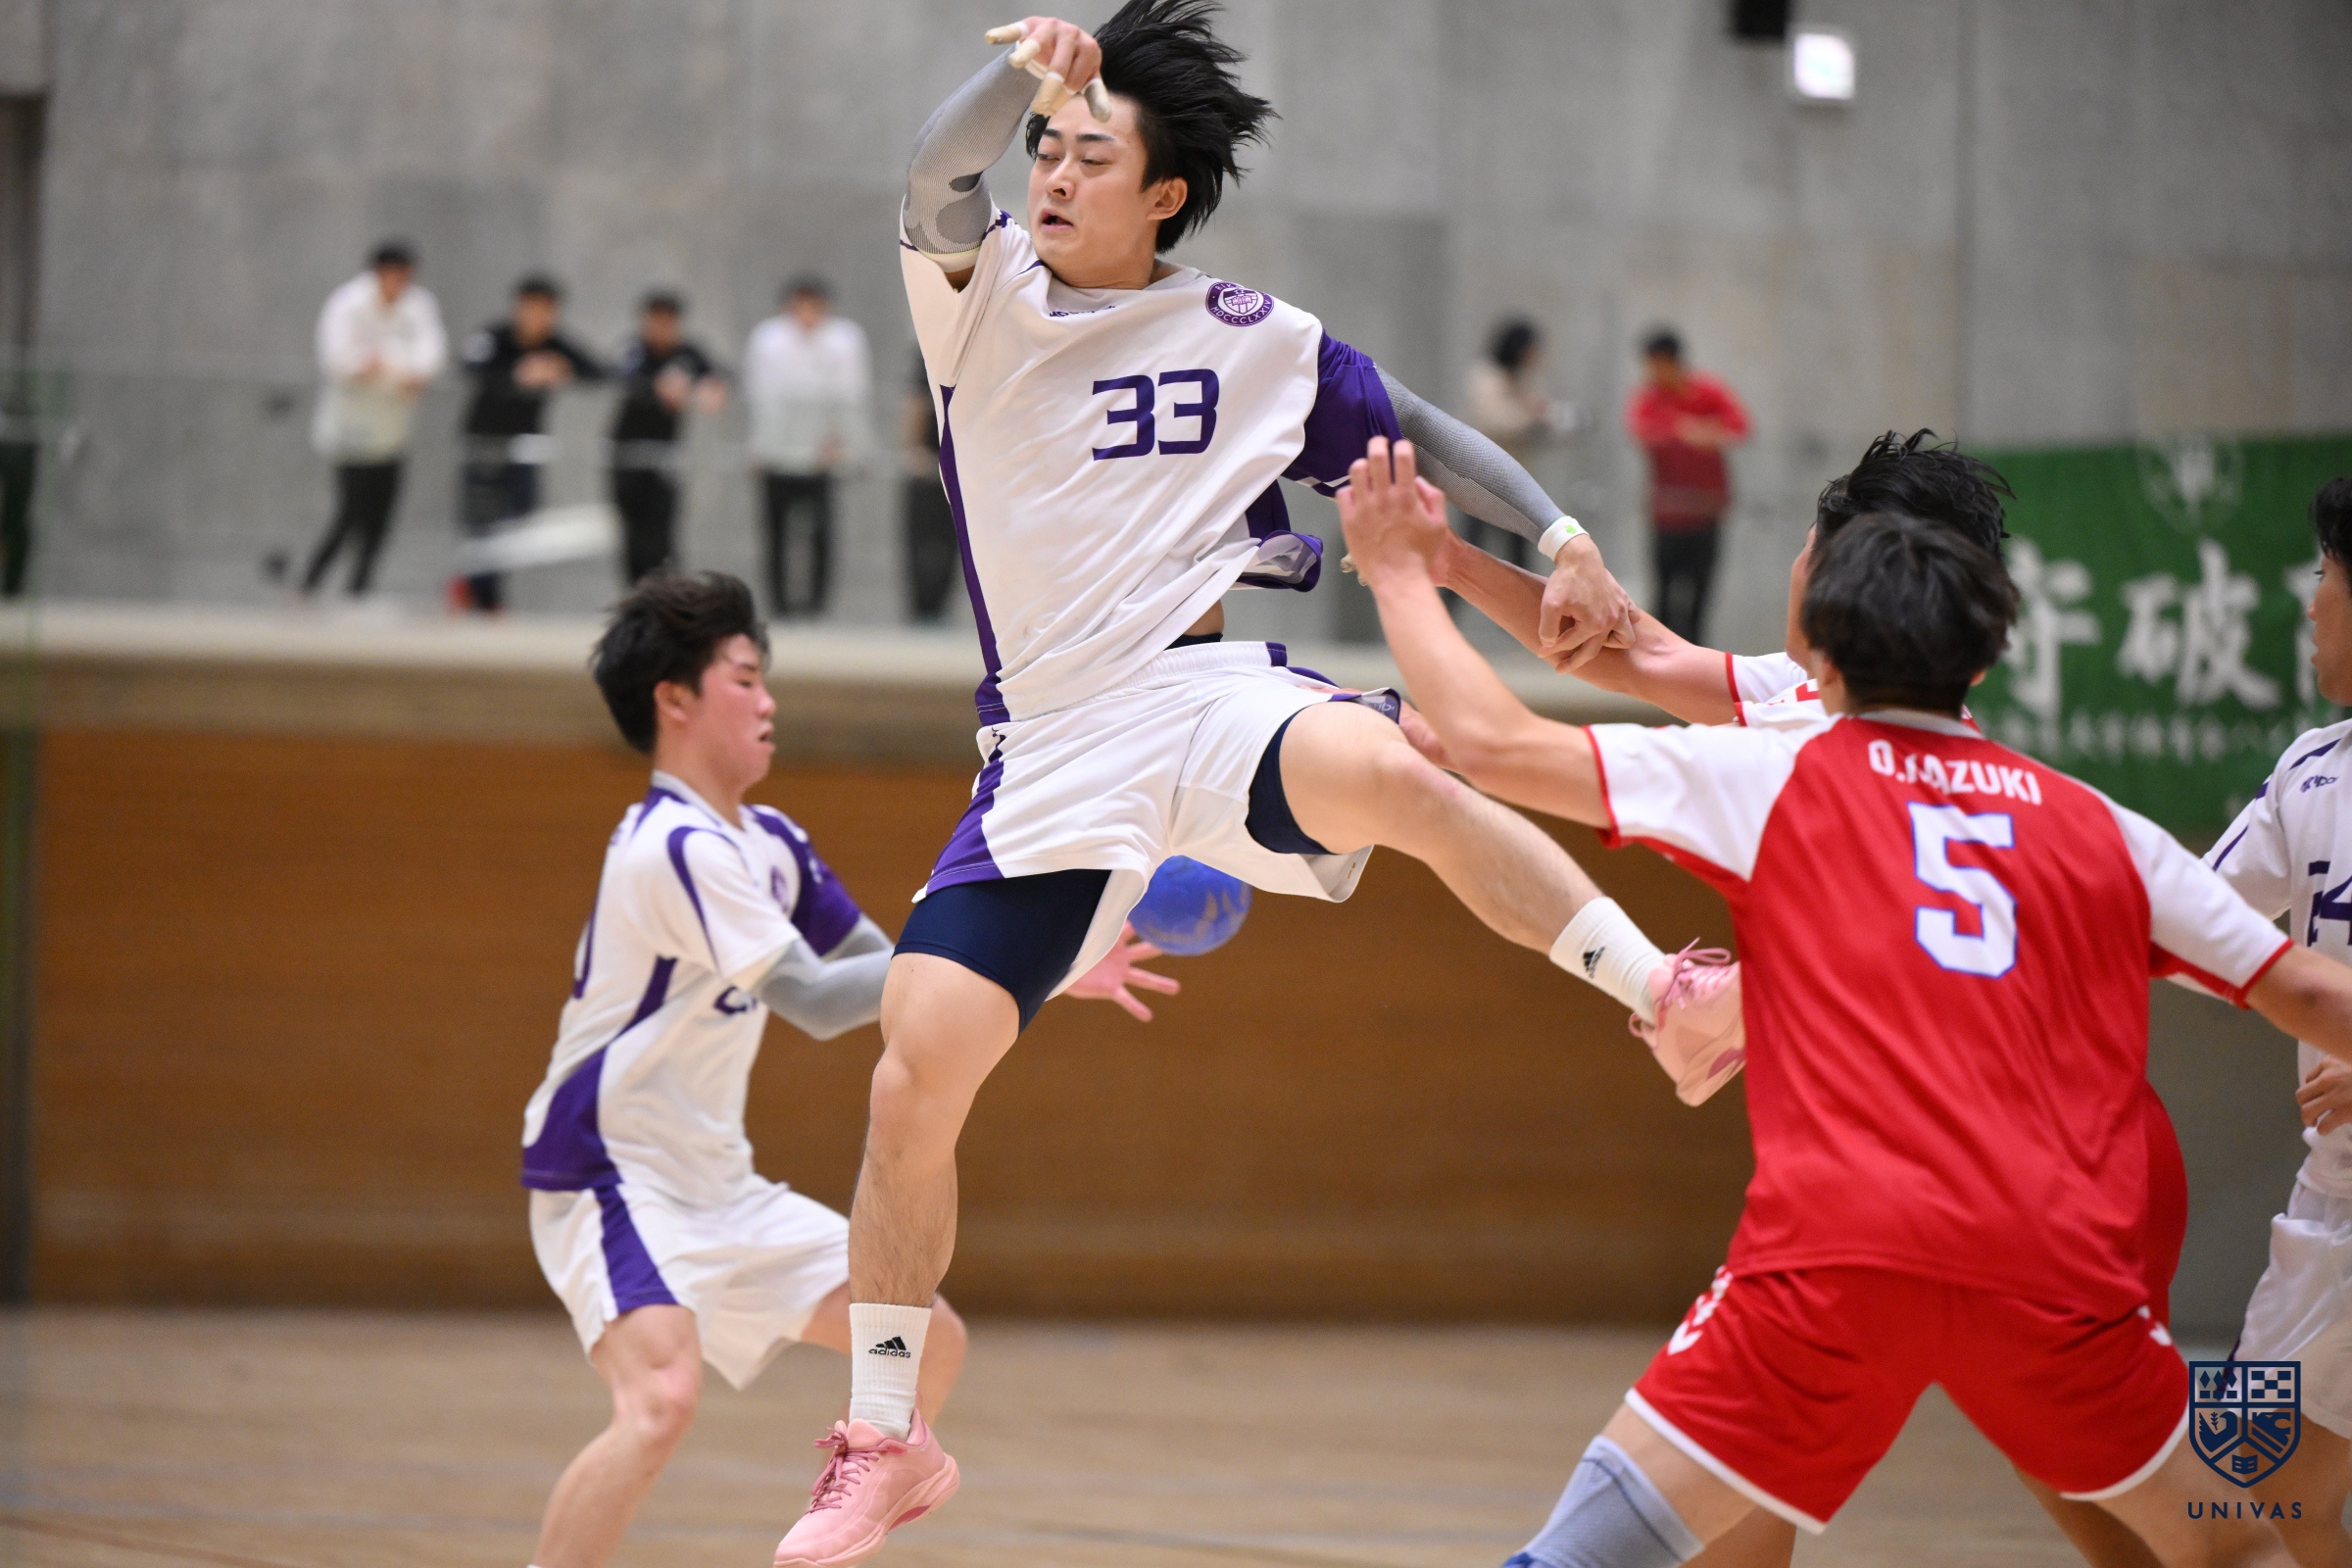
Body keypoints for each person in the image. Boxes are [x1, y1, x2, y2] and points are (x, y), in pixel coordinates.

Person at [767, 10, 1738, 1565]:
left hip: (1205, 691)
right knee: (914, 1063)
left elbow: (1419, 432)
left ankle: (1665, 997)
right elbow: (937, 169)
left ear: (1164, 194)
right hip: (1052, 744)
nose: (1052, 174)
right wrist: (1028, 72)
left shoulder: (1253, 334)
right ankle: (887, 1436)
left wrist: (1562, 538)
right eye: (1048, 151)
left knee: (1401, 773)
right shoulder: (979, 296)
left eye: (1091, 156)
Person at [1341, 441, 2352, 1568]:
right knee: (2226, 1528)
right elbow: (2301, 987)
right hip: (2056, 1205)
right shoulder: (2095, 817)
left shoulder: (1790, 763)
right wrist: (1450, 564)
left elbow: (1502, 740)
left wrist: (1402, 569)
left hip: (1874, 1210)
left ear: (1830, 604)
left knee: (1654, 1521)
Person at [520, 570, 1174, 1568]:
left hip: (716, 1184)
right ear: (675, 699)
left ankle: (848, 1505)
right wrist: (1014, 959)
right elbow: (823, 1001)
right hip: (610, 1175)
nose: (768, 700)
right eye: (745, 677)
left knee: (929, 1340)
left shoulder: (771, 842)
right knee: (659, 1400)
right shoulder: (672, 845)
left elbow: (896, 975)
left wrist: (1028, 962)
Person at [2195, 476, 2352, 1568]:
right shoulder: (2311, 770)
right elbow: (2191, 922)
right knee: (2249, 1485)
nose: (2311, 602)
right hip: (2329, 1206)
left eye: (2328, 577)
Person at [302, 239, 447, 597]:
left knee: (381, 518)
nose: (398, 284)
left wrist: (388, 367)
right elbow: (339, 361)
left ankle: (358, 590)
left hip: (393, 427)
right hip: (350, 428)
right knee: (351, 512)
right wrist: (392, 370)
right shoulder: (348, 304)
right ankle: (309, 584)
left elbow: (428, 361)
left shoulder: (419, 306)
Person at [457, 275, 602, 612]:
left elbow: (598, 371)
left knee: (520, 516)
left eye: (545, 309)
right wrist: (518, 374)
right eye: (531, 307)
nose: (537, 317)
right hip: (485, 442)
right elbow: (470, 366)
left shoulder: (555, 344)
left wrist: (561, 368)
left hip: (525, 447)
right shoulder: (495, 336)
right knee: (483, 522)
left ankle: (476, 588)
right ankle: (487, 599)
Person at [745, 277, 870, 617]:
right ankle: (780, 606)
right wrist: (760, 446)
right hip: (777, 455)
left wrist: (846, 443)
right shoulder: (768, 340)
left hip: (821, 456)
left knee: (822, 534)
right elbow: (761, 397)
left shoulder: (844, 340)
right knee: (775, 533)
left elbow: (851, 396)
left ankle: (816, 606)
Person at [1627, 329, 1746, 644]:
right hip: (1667, 512)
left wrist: (1704, 432)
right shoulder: (1650, 397)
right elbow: (1640, 431)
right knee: (1663, 595)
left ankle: (1696, 658)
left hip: (1706, 510)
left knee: (1700, 595)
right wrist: (1681, 431)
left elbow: (1739, 427)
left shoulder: (1708, 390)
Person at [609, 291, 725, 587]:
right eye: (655, 321)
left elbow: (718, 375)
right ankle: (637, 593)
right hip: (627, 455)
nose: (661, 329)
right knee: (633, 530)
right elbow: (624, 377)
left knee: (662, 529)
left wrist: (707, 388)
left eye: (668, 322)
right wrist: (659, 388)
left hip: (665, 457)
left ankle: (666, 593)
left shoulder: (687, 354)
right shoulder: (634, 350)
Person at [1463, 318, 1579, 571]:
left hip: (1514, 478)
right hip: (1481, 477)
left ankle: (1526, 597)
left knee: (1520, 554)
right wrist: (1531, 418)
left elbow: (1541, 410)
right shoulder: (1488, 376)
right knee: (1471, 550)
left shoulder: (1524, 378)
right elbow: (1494, 420)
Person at [899, 350, 959, 623]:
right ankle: (920, 609)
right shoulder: (926, 358)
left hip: (960, 466)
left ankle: (939, 609)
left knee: (951, 544)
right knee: (921, 543)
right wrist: (913, 450)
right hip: (927, 465)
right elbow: (915, 405)